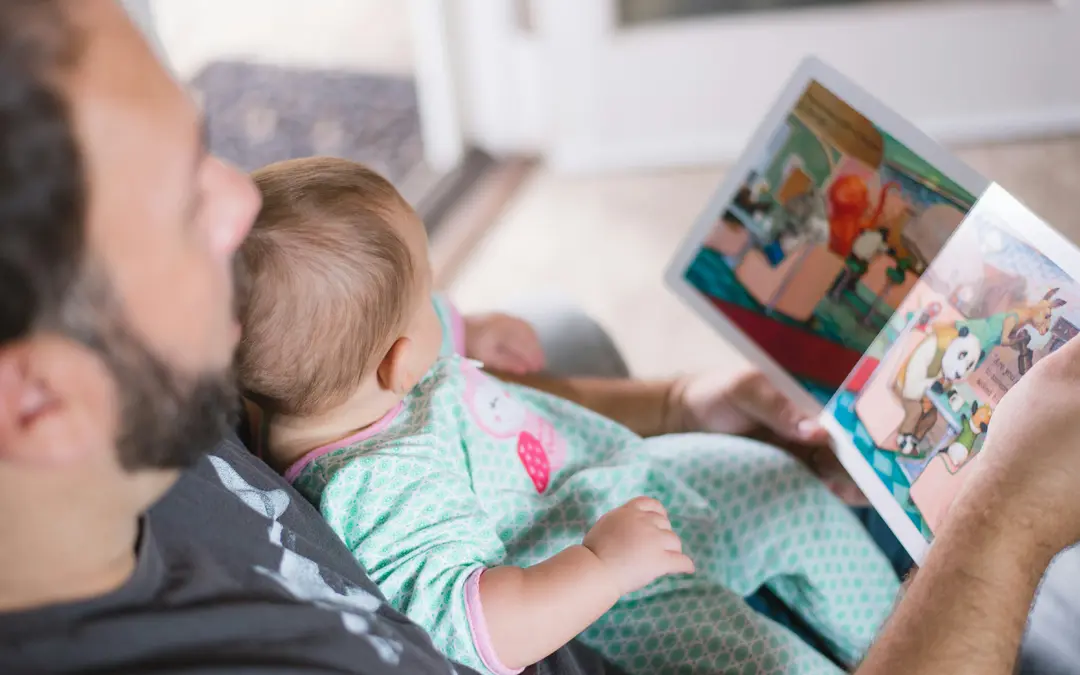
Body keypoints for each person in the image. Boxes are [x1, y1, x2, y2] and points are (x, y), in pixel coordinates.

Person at [0, 2, 1075, 674]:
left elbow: (432, 398)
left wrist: (673, 401)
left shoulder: (173, 373)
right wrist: (1009, 524)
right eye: (183, 204)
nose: (239, 201)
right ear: (36, 400)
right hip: (634, 602)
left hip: (606, 495)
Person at [236, 156, 900, 674]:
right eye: (428, 289)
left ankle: (901, 634)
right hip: (622, 595)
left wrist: (468, 327)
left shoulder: (338, 379)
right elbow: (472, 625)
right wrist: (602, 565)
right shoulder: (377, 490)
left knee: (783, 487)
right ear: (399, 363)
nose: (439, 299)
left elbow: (400, 327)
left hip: (613, 475)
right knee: (767, 662)